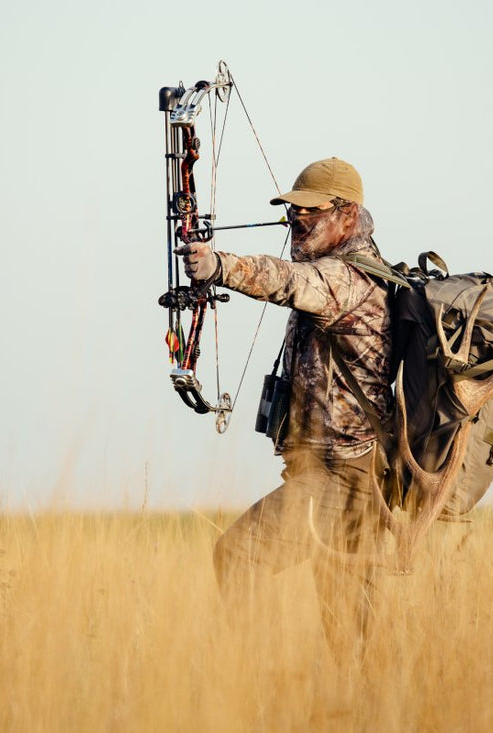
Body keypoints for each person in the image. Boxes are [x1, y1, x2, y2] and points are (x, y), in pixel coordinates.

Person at [176, 157, 393, 663]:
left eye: (308, 212)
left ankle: (268, 689)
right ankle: (353, 709)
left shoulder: (347, 279)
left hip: (345, 478)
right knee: (352, 638)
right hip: (340, 477)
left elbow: (285, 281)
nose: (295, 221)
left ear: (346, 215)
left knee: (238, 555)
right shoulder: (335, 271)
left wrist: (219, 266)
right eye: (292, 212)